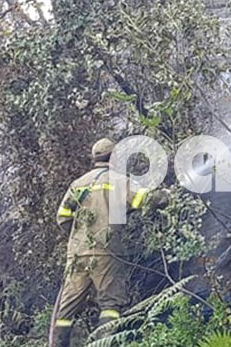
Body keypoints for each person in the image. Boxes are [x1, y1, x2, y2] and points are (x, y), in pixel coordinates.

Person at [50, 137, 167, 346]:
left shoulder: (78, 184)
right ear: (114, 157)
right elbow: (145, 199)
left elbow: (63, 217)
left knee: (67, 308)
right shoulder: (119, 181)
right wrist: (165, 196)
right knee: (111, 304)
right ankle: (104, 343)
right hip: (107, 252)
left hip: (77, 253)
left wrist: (79, 237)